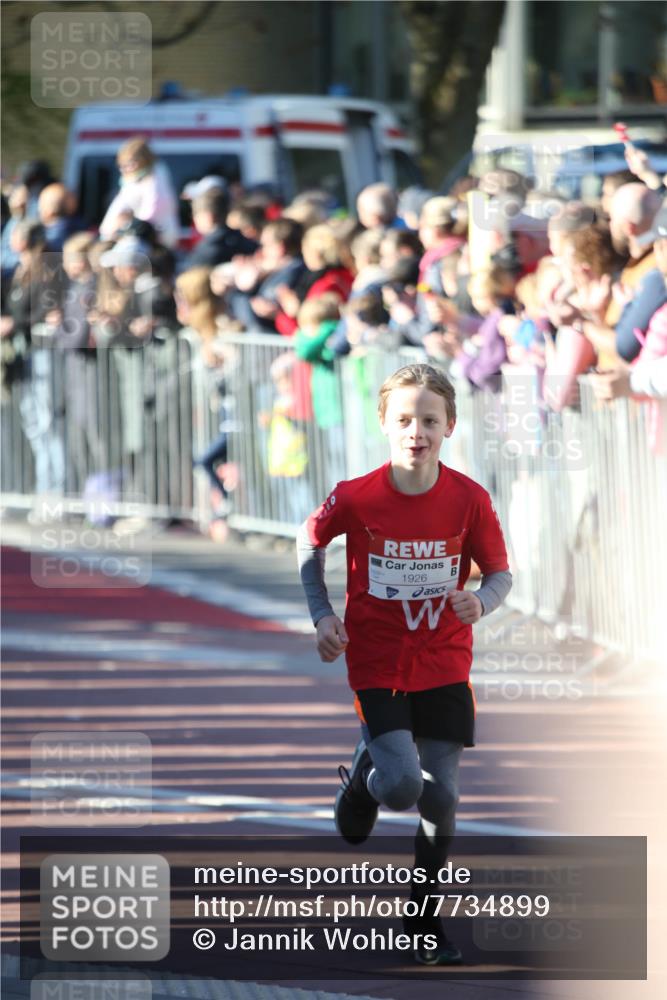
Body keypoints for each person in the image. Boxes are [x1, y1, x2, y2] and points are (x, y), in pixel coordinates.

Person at [297, 363, 512, 966]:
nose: (416, 431)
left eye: (429, 420)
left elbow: (500, 573)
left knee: (441, 799)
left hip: (444, 660)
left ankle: (421, 921)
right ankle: (369, 774)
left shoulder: (469, 498)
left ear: (449, 426)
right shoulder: (359, 494)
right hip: (377, 660)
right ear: (384, 424)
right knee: (400, 790)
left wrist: (481, 601)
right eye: (404, 420)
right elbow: (308, 542)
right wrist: (321, 615)